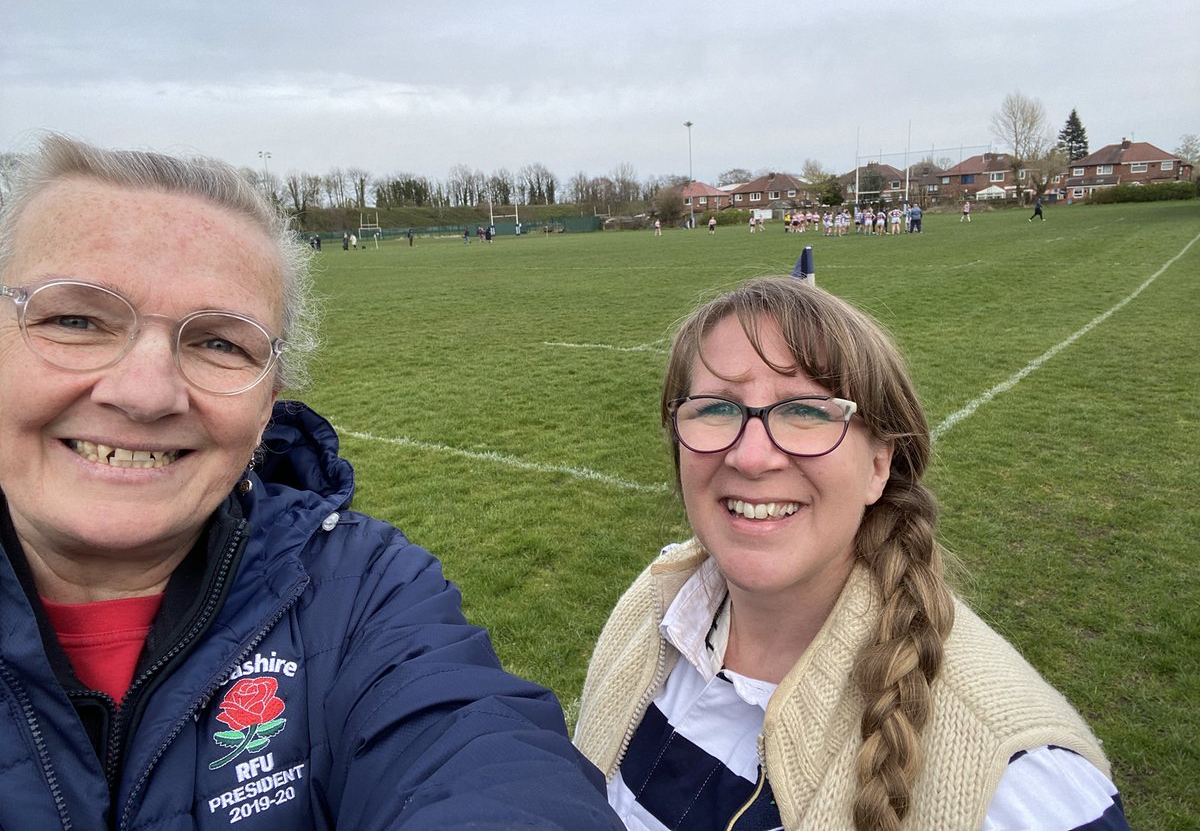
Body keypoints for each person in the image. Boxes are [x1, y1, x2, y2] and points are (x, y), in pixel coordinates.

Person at [0, 135, 621, 830]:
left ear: (270, 401)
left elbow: (487, 763)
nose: (145, 392)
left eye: (218, 343)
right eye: (75, 319)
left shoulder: (361, 591)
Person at [575, 276, 1126, 830]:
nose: (751, 456)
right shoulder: (654, 608)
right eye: (717, 407)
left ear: (879, 464)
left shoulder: (1016, 782)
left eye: (808, 413)